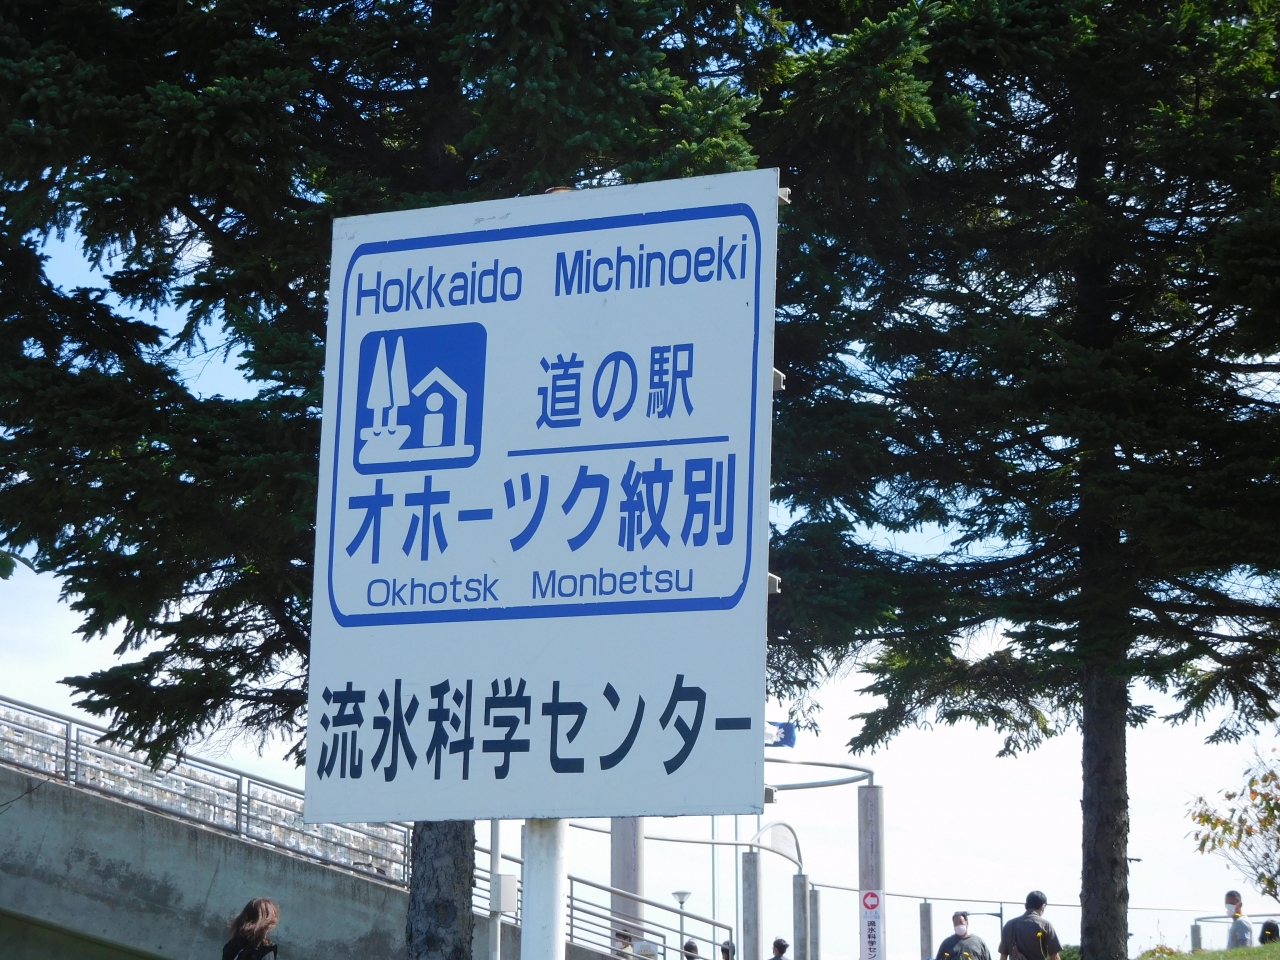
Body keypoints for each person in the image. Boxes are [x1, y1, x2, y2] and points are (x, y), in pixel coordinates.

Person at [998, 892, 1062, 960]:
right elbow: (1055, 957)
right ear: (1043, 906)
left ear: (1025, 906)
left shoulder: (1009, 925)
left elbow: (1003, 957)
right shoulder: (1045, 925)